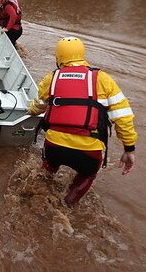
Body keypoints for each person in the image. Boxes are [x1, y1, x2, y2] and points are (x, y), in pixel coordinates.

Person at [28, 37, 137, 206]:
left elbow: (38, 106)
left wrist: (30, 110)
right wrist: (129, 148)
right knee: (87, 174)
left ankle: (36, 195)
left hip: (54, 147)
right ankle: (68, 204)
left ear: (59, 58)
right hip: (89, 152)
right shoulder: (103, 79)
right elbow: (123, 117)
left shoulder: (52, 78)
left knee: (47, 168)